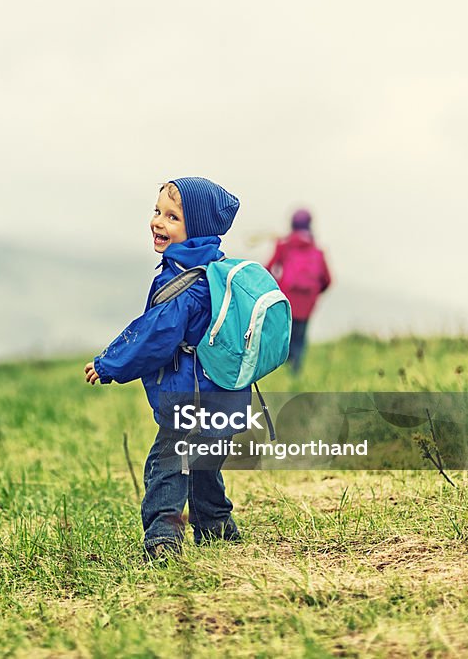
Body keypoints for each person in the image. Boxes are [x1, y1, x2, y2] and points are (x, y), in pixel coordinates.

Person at [84, 177, 250, 561]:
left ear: (197, 229)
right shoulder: (217, 271)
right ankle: (217, 528)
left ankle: (163, 537)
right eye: (157, 212)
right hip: (224, 394)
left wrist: (110, 365)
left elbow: (155, 336)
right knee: (205, 463)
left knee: (168, 465)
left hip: (189, 393)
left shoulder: (185, 283)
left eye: (172, 217)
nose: (158, 221)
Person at [265, 208, 331, 374]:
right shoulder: (317, 251)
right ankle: (295, 372)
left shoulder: (284, 246)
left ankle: (280, 370)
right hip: (307, 303)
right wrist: (313, 293)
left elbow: (268, 270)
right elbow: (327, 280)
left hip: (286, 300)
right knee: (300, 338)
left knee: (284, 337)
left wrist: (277, 289)